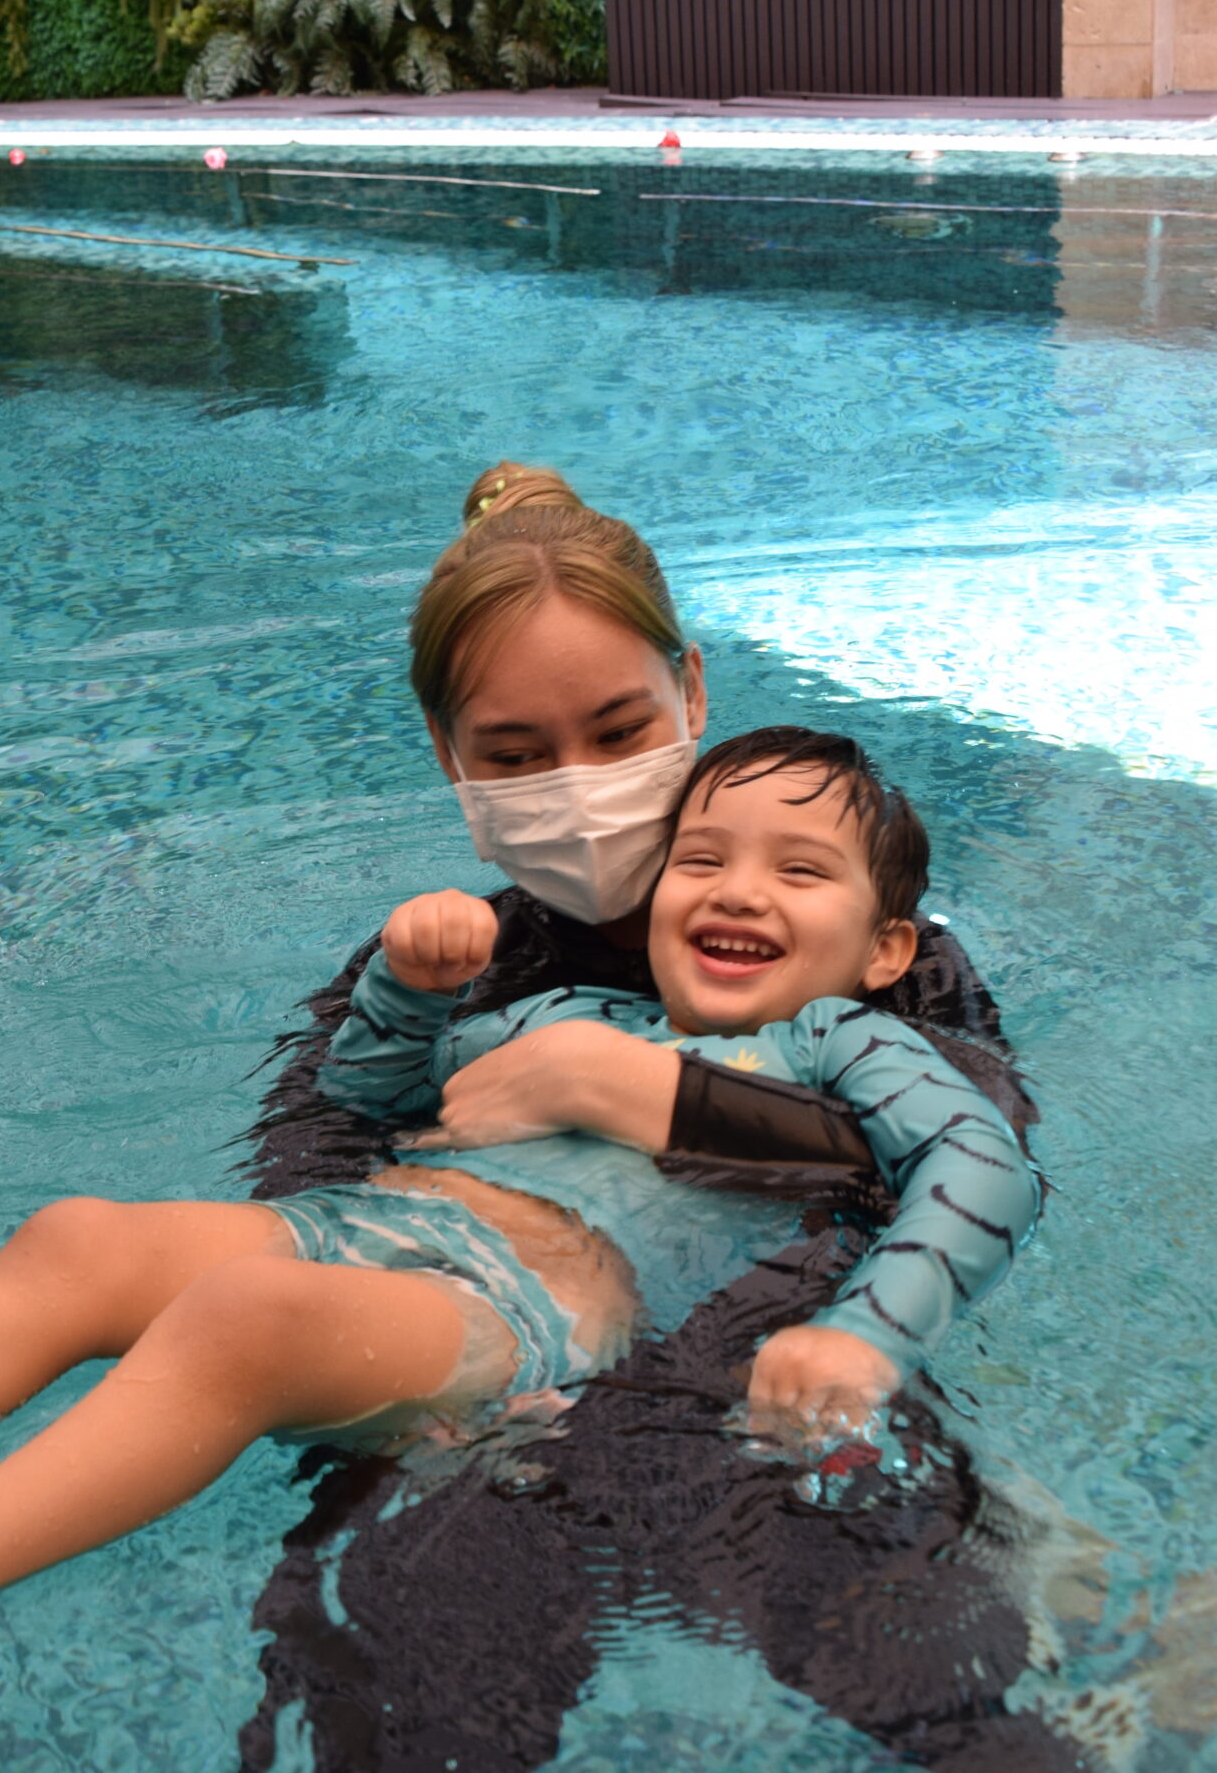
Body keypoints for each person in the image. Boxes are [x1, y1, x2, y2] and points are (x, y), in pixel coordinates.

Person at [0, 723, 1044, 1745]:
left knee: (238, 1331)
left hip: (522, 1315)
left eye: (800, 872)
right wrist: (411, 988)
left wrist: (862, 1330)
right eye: (704, 858)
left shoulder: (844, 1046)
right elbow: (379, 1097)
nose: (736, 890)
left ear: (889, 945)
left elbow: (979, 1166)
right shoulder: (568, 1007)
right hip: (366, 1226)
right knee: (80, 1239)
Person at [234, 464, 1078, 1773]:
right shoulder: (430, 970)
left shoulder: (861, 945)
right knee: (402, 1712)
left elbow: (973, 1157)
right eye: (515, 757)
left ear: (692, 693)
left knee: (953, 1712)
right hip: (491, 1409)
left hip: (764, 1394)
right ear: (449, 758)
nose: (576, 787)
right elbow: (308, 1179)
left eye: (622, 733)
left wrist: (632, 1092)